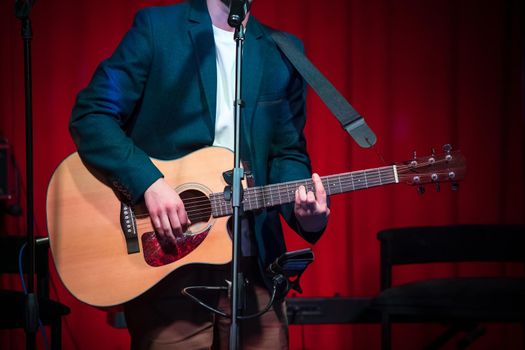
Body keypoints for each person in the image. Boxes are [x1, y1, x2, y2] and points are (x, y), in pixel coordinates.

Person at [70, 0, 330, 348]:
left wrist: (306, 214)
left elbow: (287, 152)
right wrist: (148, 182)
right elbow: (92, 115)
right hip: (167, 266)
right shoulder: (158, 29)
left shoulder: (282, 50)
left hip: (255, 271)